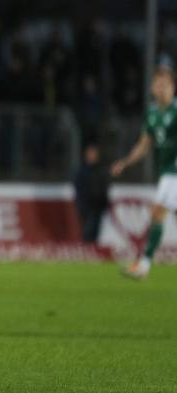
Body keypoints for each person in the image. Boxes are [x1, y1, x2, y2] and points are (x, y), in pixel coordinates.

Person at [110, 64, 177, 279]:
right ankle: (144, 264)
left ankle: (144, 265)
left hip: (174, 172)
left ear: (173, 88)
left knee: (157, 211)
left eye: (166, 85)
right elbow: (144, 144)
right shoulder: (152, 113)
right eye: (158, 84)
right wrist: (126, 162)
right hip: (166, 171)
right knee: (163, 213)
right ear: (152, 88)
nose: (162, 88)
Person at [73, 142, 109, 243]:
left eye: (95, 154)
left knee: (95, 232)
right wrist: (81, 204)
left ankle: (92, 251)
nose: (93, 156)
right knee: (88, 231)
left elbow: (104, 187)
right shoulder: (81, 171)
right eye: (91, 154)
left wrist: (104, 203)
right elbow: (78, 189)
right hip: (86, 206)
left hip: (98, 206)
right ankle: (87, 251)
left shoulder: (101, 170)